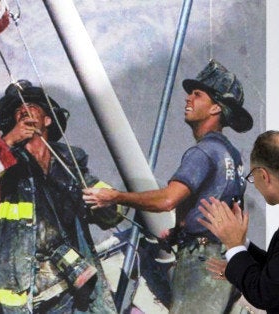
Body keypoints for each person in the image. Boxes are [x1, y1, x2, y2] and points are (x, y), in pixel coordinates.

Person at [83, 60, 253, 313]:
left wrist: (115, 196)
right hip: (224, 257)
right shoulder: (232, 155)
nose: (188, 99)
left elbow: (167, 200)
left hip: (201, 260)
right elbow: (212, 202)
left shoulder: (203, 152)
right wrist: (177, 231)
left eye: (197, 94)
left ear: (216, 107)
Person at [0, 80, 122, 313]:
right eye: (16, 109)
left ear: (48, 119)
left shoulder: (69, 166)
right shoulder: (8, 165)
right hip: (24, 291)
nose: (23, 109)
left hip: (72, 286)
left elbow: (111, 215)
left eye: (32, 105)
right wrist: (8, 142)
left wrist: (112, 200)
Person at [198, 130, 279, 312]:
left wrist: (234, 246)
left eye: (252, 177)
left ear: (263, 175)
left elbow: (266, 293)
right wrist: (242, 245)